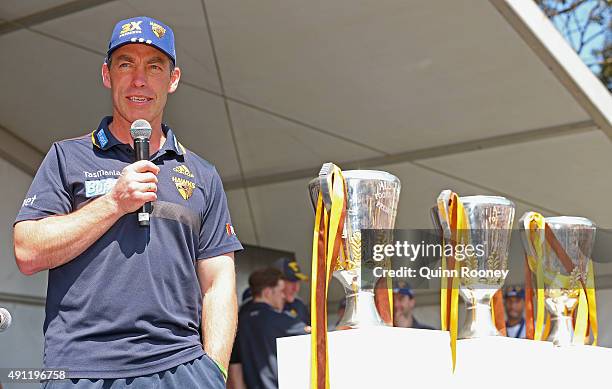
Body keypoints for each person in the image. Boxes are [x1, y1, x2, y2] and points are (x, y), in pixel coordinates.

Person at [13, 16, 242, 388]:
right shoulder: (66, 158)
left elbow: (219, 282)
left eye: (154, 67)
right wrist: (113, 203)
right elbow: (27, 251)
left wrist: (212, 372)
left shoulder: (202, 174)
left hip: (180, 369)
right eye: (126, 64)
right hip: (81, 371)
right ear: (107, 75)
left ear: (173, 79)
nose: (140, 80)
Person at [232, 268, 308, 389]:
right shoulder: (282, 320)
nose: (284, 295)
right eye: (281, 291)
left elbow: (235, 367)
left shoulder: (238, 322)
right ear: (267, 293)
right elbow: (315, 335)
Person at [273, 257, 310, 324]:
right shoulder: (260, 308)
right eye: (291, 282)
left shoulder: (299, 306)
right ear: (276, 282)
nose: (296, 288)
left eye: (298, 282)